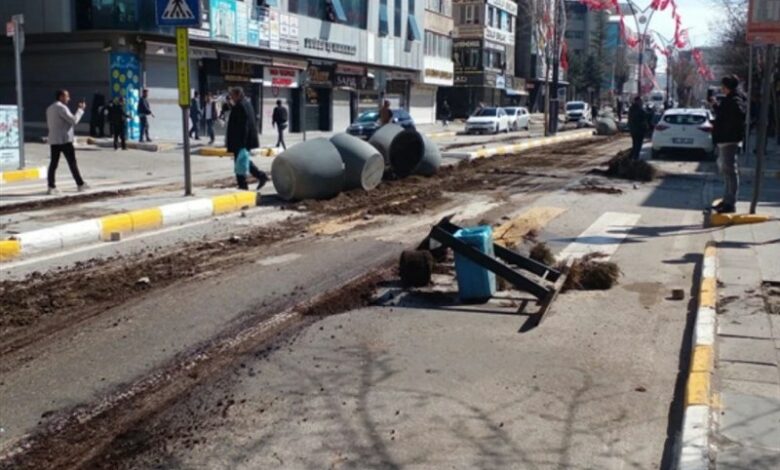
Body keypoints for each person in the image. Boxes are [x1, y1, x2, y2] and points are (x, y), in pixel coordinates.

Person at [712, 75, 747, 214]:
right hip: (725, 139)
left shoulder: (735, 100)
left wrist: (726, 130)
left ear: (728, 87)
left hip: (729, 140)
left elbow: (733, 117)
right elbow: (724, 114)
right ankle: (727, 199)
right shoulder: (731, 99)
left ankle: (730, 203)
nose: (722, 89)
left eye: (723, 86)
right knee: (726, 171)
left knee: (730, 171)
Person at [225, 87, 268, 190]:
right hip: (242, 140)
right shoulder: (246, 104)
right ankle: (261, 176)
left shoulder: (240, 106)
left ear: (238, 94)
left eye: (232, 95)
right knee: (243, 161)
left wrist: (242, 143)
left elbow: (244, 126)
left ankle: (243, 185)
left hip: (240, 141)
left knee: (239, 162)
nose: (231, 97)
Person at [46, 90, 88, 195]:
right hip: (64, 140)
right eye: (67, 96)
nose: (69, 99)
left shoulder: (50, 108)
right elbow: (73, 121)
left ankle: (51, 186)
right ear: (61, 97)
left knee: (53, 164)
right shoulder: (61, 108)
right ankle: (80, 184)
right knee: (72, 163)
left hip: (54, 140)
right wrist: (80, 110)